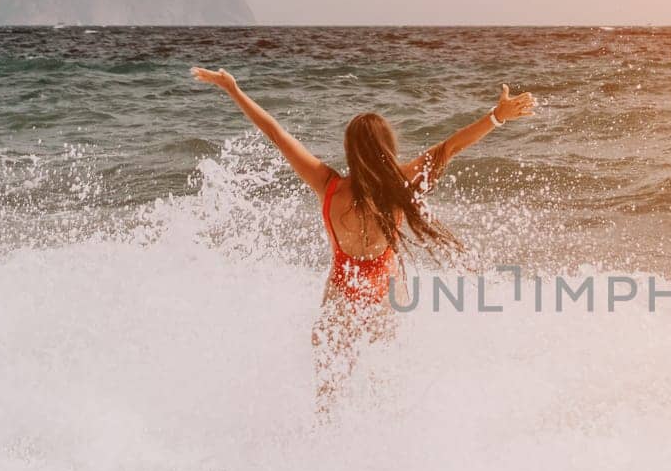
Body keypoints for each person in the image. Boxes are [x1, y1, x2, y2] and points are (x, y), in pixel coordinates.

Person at [190, 67, 537, 395]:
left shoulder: (328, 186)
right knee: (382, 380)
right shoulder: (401, 184)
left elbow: (276, 135)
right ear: (388, 148)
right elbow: (450, 147)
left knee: (329, 388)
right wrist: (497, 116)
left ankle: (324, 445)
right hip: (386, 293)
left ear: (350, 151)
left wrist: (234, 90)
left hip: (343, 291)